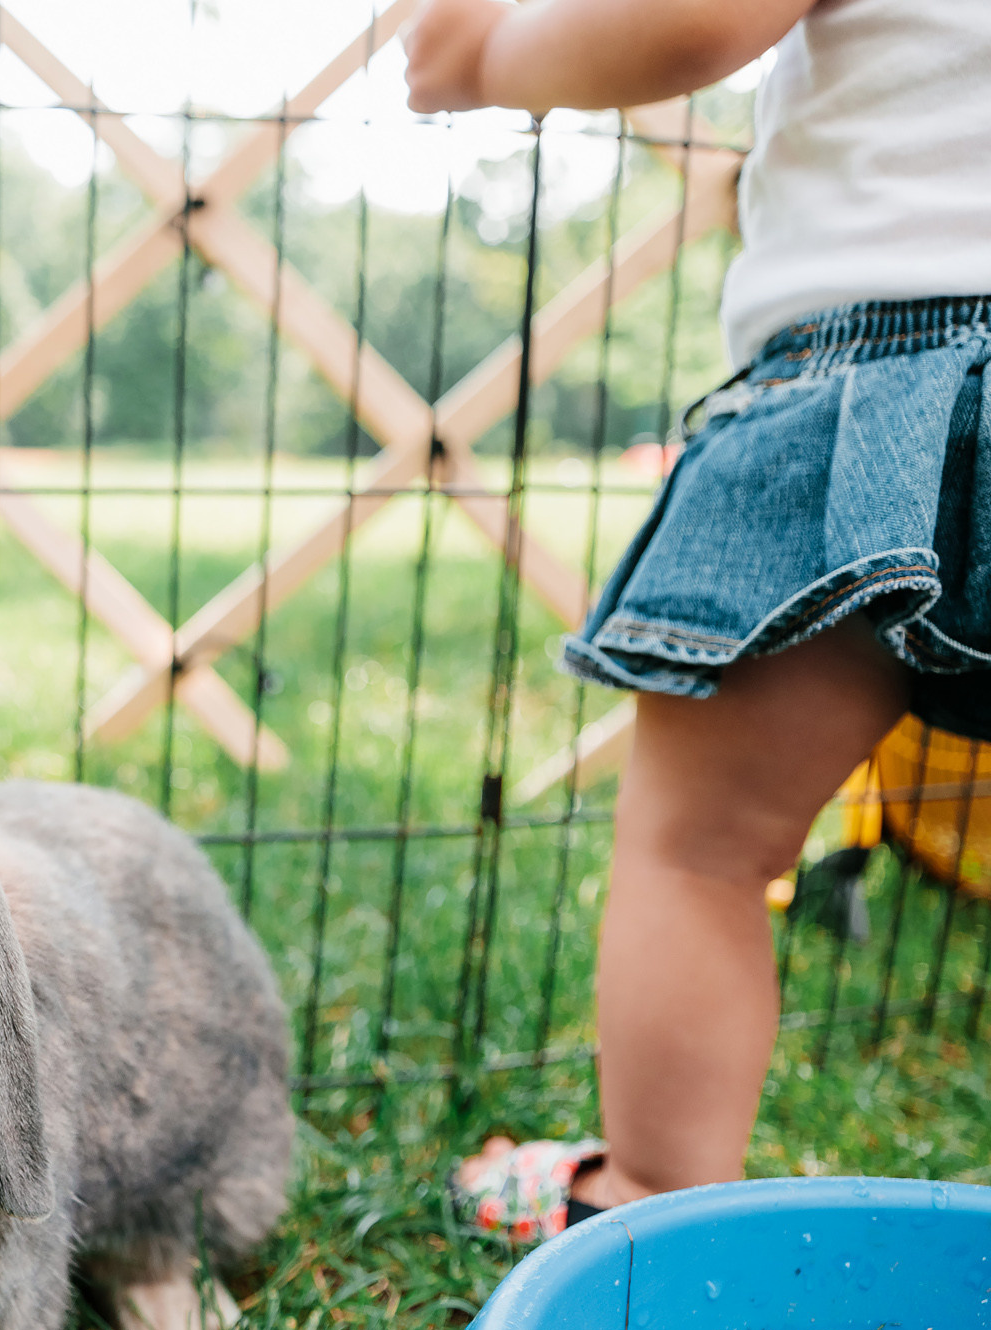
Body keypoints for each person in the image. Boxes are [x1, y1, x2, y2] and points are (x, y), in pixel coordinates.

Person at [407, 0, 991, 1240]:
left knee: (702, 853)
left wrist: (485, 53)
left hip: (885, 359)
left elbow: (690, 19)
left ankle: (654, 1200)